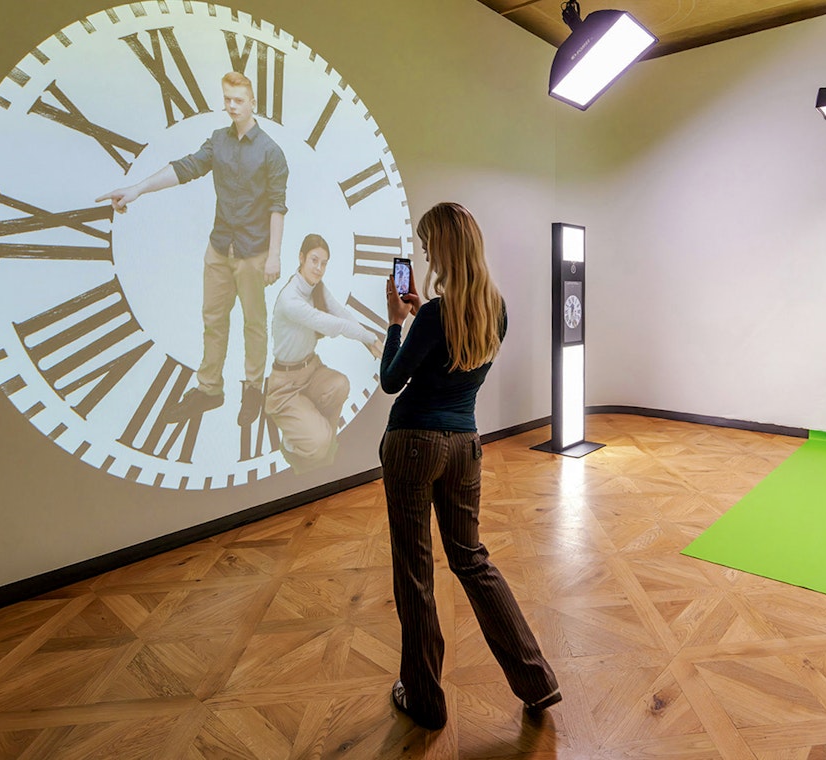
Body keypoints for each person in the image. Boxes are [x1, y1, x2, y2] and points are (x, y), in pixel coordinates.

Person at [379, 202, 560, 730]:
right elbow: (452, 356)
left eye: (429, 243)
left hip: (413, 445)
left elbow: (394, 379)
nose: (426, 252)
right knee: (472, 561)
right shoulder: (494, 309)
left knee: (415, 573)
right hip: (465, 447)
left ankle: (424, 699)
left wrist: (396, 324)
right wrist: (419, 318)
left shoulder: (437, 314)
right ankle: (537, 681)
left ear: (445, 248)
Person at [96, 71, 287, 426]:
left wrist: (274, 255)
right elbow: (185, 168)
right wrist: (137, 188)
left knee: (253, 324)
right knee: (213, 320)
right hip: (219, 248)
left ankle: (252, 389)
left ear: (253, 103)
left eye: (239, 100)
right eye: (227, 99)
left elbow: (277, 206)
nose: (232, 106)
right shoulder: (218, 141)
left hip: (253, 252)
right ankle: (210, 390)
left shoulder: (271, 152)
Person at [265, 234, 382, 473]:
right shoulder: (290, 300)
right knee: (320, 443)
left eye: (324, 263)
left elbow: (340, 313)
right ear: (301, 258)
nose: (319, 268)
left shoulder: (316, 288)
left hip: (311, 370)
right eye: (314, 260)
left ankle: (317, 438)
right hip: (285, 385)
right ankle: (295, 443)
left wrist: (368, 343)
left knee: (339, 385)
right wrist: (370, 338)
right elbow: (331, 324)